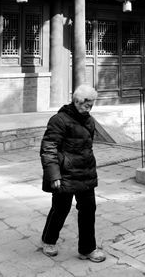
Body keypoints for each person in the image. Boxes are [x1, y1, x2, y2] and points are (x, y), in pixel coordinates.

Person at [40, 84, 106, 262]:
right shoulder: (59, 120)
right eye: (87, 104)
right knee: (60, 209)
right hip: (65, 175)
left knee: (88, 210)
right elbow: (48, 148)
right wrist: (54, 175)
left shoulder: (89, 121)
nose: (90, 107)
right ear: (77, 101)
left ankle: (87, 249)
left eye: (92, 104)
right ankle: (48, 240)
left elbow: (87, 147)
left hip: (85, 173)